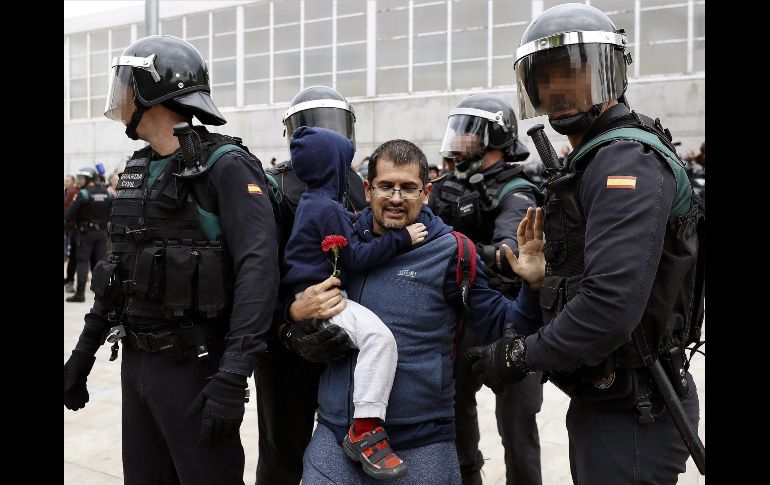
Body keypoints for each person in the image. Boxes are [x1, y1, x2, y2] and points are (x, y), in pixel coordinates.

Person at [467, 4, 705, 484]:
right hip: (611, 398)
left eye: (574, 76)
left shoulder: (625, 161)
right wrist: (546, 278)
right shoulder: (598, 155)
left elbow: (611, 305)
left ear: (610, 75)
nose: (558, 92)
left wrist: (519, 355)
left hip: (636, 409)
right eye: (547, 79)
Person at [62, 35, 279, 485]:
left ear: (150, 91)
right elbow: (117, 275)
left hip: (196, 367)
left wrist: (233, 375)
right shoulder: (140, 169)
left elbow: (259, 274)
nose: (118, 96)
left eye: (126, 83)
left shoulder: (225, 167)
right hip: (138, 365)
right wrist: (81, 357)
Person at [284, 139, 547, 484]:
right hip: (335, 440)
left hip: (421, 445)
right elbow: (286, 300)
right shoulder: (338, 239)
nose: (395, 198)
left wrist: (533, 287)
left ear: (425, 193)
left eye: (408, 188)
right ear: (367, 189)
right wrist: (293, 317)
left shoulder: (454, 251)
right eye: (385, 187)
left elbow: (506, 326)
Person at [283, 126, 430, 479]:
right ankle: (365, 429)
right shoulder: (328, 207)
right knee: (378, 339)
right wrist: (402, 240)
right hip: (320, 299)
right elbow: (356, 258)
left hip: (308, 293)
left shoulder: (313, 202)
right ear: (333, 166)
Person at [430, 93, 545, 485]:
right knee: (454, 408)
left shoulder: (516, 190)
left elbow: (510, 250)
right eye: (457, 130)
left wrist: (454, 248)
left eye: (468, 132)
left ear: (493, 138)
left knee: (517, 426)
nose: (458, 140)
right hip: (461, 316)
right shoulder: (450, 185)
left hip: (510, 318)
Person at [255, 85, 368, 485]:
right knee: (283, 454)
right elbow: (252, 276)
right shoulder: (269, 187)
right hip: (284, 347)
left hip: (347, 335)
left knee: (347, 450)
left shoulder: (361, 184)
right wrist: (286, 322)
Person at [63, 166, 112, 303]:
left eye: (81, 178)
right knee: (101, 263)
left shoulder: (83, 194)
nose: (79, 180)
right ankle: (104, 295)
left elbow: (68, 214)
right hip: (102, 233)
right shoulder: (106, 192)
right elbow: (112, 211)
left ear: (88, 179)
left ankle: (80, 294)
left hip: (86, 234)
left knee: (82, 261)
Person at [64, 174, 79, 291]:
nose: (65, 183)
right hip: (70, 228)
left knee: (73, 256)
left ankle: (70, 280)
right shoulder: (69, 192)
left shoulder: (73, 192)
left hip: (73, 228)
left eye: (67, 181)